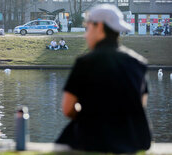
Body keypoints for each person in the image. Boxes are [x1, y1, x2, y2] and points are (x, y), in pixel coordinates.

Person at [56, 4, 151, 154]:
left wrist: (88, 110)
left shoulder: (85, 62)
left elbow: (67, 109)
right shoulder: (138, 63)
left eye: (87, 28)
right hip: (133, 140)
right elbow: (140, 105)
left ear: (98, 26)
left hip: (92, 139)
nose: (85, 35)